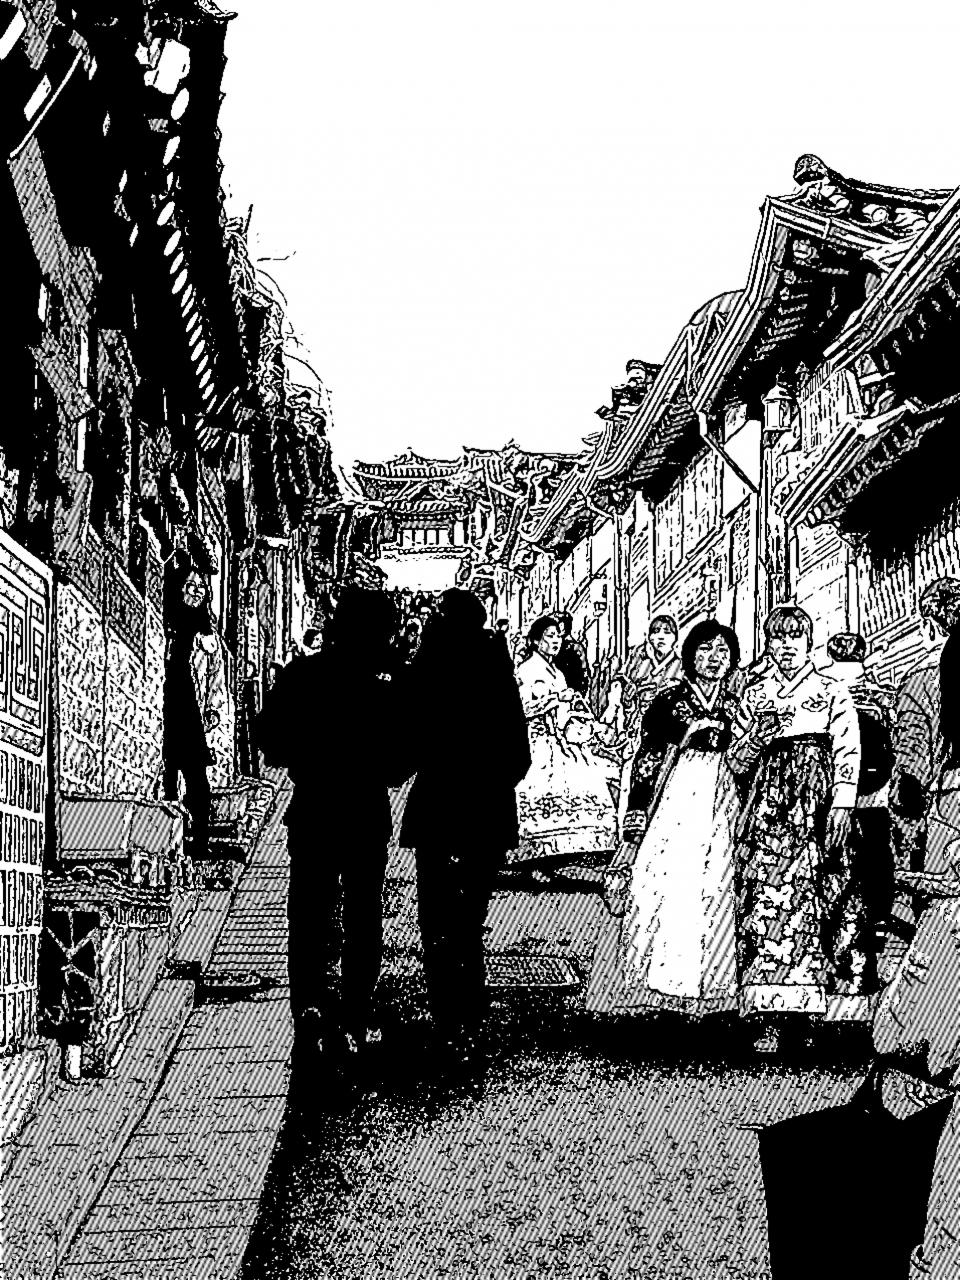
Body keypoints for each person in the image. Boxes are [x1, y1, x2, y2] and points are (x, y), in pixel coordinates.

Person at [256, 588, 406, 1060]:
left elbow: (269, 740)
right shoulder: (387, 684)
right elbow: (400, 762)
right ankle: (356, 1010)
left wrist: (309, 755)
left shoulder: (302, 674)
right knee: (363, 914)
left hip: (314, 809)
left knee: (308, 912)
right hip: (364, 812)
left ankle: (309, 1007)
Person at [397, 589, 531, 1081]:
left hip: (436, 806)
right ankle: (469, 1014)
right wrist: (493, 781)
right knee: (471, 916)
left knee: (436, 916)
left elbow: (405, 744)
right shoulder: (496, 668)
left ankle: (445, 1016)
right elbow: (519, 752)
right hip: (486, 810)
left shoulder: (425, 666)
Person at [736, 605, 863, 1052]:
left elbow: (848, 749)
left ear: (809, 643)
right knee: (767, 901)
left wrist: (842, 804)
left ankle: (810, 1012)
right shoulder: (756, 693)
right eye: (777, 638)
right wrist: (756, 737)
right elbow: (738, 761)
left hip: (816, 803)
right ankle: (767, 1013)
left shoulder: (830, 691)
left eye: (794, 638)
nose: (785, 646)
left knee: (818, 899)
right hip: (770, 808)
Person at [512, 616, 618, 872]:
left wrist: (574, 712)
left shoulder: (557, 673)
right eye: (549, 636)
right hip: (536, 739)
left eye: (558, 636)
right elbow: (522, 708)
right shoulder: (526, 670)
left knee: (584, 779)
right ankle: (534, 856)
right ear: (535, 641)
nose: (555, 641)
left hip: (561, 738)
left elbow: (563, 709)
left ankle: (571, 852)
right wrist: (555, 699)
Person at [822, 630, 896, 989]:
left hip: (838, 795)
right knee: (877, 859)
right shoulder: (882, 695)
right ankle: (876, 925)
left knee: (838, 867)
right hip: (876, 793)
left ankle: (839, 940)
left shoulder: (828, 692)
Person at [163, 565, 218, 861]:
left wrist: (212, 710)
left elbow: (215, 675)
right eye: (190, 585)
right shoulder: (168, 624)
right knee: (168, 775)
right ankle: (169, 841)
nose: (196, 592)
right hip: (167, 706)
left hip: (190, 709)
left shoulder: (206, 634)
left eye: (201, 587)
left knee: (197, 777)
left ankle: (200, 840)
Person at [616, 615, 683, 831]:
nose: (660, 637)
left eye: (667, 632)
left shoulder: (682, 667)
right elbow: (627, 704)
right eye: (656, 632)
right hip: (640, 730)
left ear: (675, 638)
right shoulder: (639, 665)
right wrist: (628, 701)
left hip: (669, 732)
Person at [554, 612, 590, 696]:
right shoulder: (557, 647)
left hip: (572, 693)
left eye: (558, 624)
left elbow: (584, 673)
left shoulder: (575, 647)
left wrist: (579, 693)